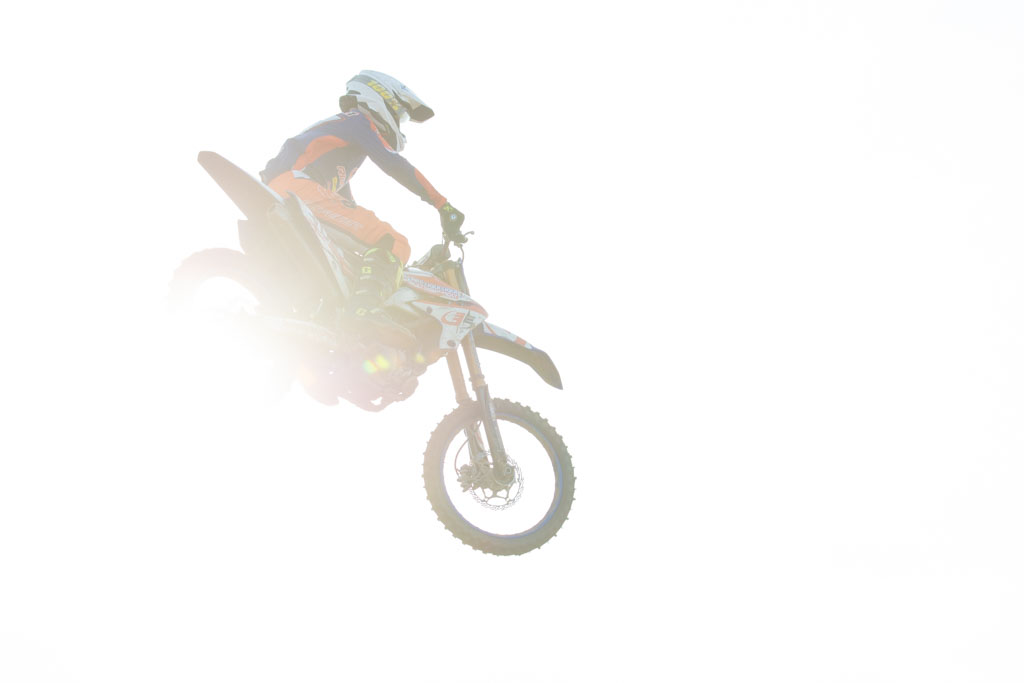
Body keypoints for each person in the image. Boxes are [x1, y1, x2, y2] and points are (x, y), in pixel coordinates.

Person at [260, 70, 466, 346]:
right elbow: (394, 164)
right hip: (296, 188)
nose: (400, 124)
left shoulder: (341, 133)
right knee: (393, 242)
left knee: (353, 257)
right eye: (401, 115)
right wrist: (442, 205)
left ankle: (323, 321)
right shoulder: (359, 121)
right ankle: (363, 312)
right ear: (381, 98)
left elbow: (345, 202)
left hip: (285, 189)